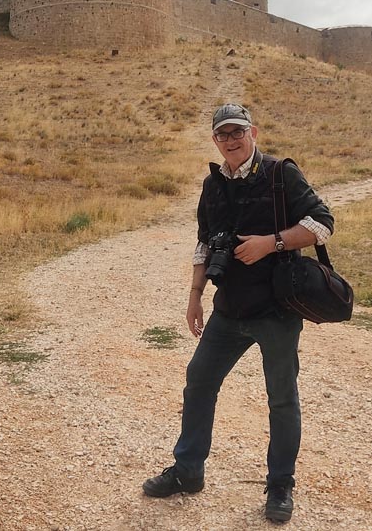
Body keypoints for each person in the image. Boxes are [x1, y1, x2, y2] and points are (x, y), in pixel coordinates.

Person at [142, 103, 334, 523]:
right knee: (199, 382)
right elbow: (203, 242)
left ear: (254, 133)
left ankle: (280, 485)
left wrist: (272, 243)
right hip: (228, 308)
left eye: (238, 132)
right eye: (223, 135)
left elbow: (322, 223)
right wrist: (195, 294)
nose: (231, 140)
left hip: (276, 309)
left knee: (281, 398)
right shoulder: (212, 185)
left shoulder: (281, 174)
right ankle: (188, 471)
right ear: (215, 140)